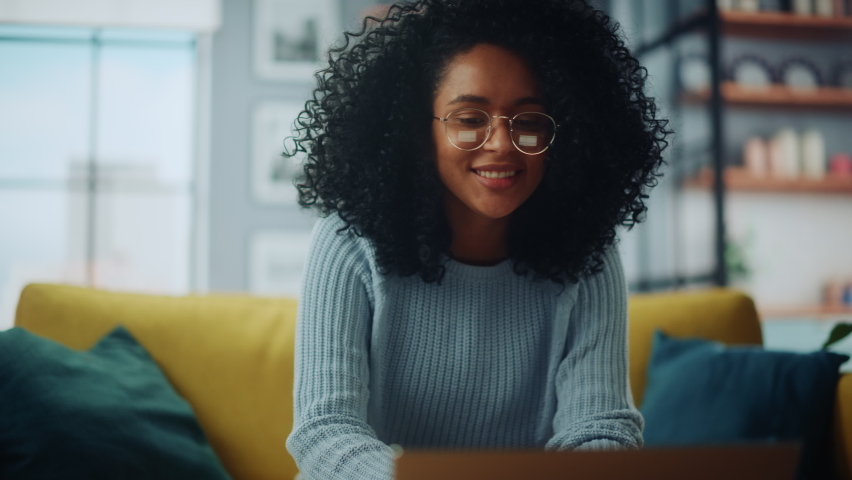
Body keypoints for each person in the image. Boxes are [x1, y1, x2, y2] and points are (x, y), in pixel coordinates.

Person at [284, 1, 671, 479]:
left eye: (529, 122)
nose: (502, 144)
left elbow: (601, 427)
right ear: (417, 131)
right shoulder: (347, 242)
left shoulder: (587, 252)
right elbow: (326, 430)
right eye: (469, 119)